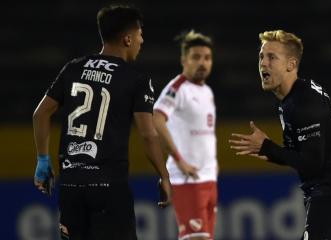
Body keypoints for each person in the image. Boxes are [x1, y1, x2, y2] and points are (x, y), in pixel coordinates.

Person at [32, 5, 171, 240]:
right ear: (127, 39)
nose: (142, 40)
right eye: (139, 34)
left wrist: (43, 161)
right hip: (109, 188)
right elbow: (148, 134)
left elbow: (40, 114)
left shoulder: (73, 68)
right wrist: (164, 176)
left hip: (71, 186)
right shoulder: (136, 79)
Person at [229, 29, 331, 240]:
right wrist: (272, 152)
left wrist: (268, 147)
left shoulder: (302, 104)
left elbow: (312, 163)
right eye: (261, 56)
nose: (263, 63)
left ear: (291, 65)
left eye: (272, 57)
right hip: (330, 191)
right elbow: (302, 153)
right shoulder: (292, 97)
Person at [153, 30, 218, 240]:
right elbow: (157, 118)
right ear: (184, 60)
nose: (202, 63)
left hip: (208, 178)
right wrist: (179, 161)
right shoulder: (177, 88)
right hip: (187, 180)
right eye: (196, 57)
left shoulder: (206, 91)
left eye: (207, 58)